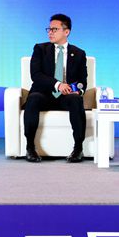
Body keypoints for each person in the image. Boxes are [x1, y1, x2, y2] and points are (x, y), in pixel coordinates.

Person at [24, 14, 87, 163]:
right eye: (49, 29)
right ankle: (30, 148)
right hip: (44, 95)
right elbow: (36, 75)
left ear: (66, 32)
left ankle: (78, 149)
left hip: (66, 97)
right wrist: (58, 84)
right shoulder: (40, 49)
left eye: (54, 29)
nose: (50, 32)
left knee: (76, 99)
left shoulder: (79, 53)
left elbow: (82, 81)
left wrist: (78, 90)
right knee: (33, 98)